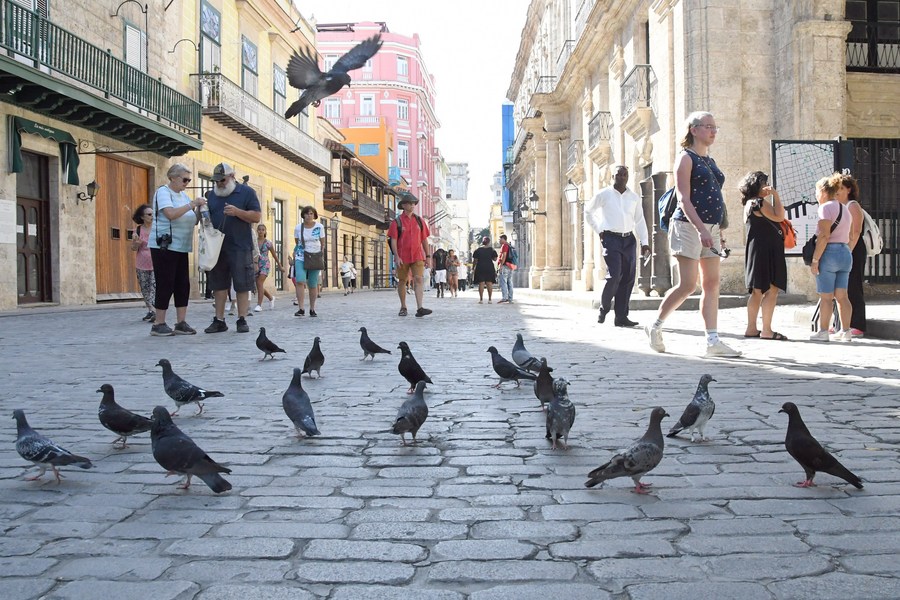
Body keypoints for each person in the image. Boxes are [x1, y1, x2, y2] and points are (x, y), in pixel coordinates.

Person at [645, 111, 741, 357]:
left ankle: (713, 341)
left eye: (715, 127)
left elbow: (715, 197)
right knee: (688, 285)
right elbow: (683, 199)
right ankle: (655, 326)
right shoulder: (685, 159)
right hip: (688, 226)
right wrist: (700, 229)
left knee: (712, 284)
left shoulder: (710, 161)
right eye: (708, 126)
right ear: (693, 129)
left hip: (710, 226)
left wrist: (716, 231)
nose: (713, 131)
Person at [585, 165, 650, 326]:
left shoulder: (634, 197)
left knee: (628, 279)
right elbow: (588, 211)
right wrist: (599, 229)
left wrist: (645, 243)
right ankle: (604, 308)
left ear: (627, 177)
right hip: (611, 239)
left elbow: (640, 220)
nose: (621, 177)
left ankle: (621, 317)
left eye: (624, 175)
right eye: (618, 175)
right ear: (612, 176)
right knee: (614, 276)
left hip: (629, 240)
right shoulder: (604, 194)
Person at [203, 163, 261, 334]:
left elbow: (256, 216)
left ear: (232, 176)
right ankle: (219, 320)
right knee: (218, 285)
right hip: (217, 248)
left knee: (242, 284)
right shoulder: (211, 195)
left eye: (222, 180)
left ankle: (242, 319)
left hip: (240, 246)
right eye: (216, 181)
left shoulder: (246, 192)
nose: (219, 183)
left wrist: (237, 212)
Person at [148, 163, 204, 336]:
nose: (187, 183)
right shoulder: (163, 192)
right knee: (166, 282)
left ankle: (181, 322)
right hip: (165, 245)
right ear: (173, 178)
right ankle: (159, 323)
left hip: (181, 246)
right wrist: (193, 204)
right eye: (184, 179)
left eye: (189, 180)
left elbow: (191, 220)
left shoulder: (184, 196)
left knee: (182, 284)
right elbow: (170, 214)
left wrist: (200, 212)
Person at [739, 171, 788, 340]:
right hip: (768, 249)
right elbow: (780, 216)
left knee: (757, 291)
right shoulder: (759, 202)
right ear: (757, 185)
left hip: (755, 249)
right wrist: (775, 195)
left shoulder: (748, 203)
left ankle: (751, 328)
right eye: (764, 183)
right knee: (772, 289)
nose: (767, 186)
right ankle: (767, 330)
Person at [809, 174, 854, 342]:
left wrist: (815, 260)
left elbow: (824, 236)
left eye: (816, 190)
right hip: (844, 252)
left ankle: (823, 331)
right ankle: (846, 331)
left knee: (826, 296)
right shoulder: (845, 208)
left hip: (829, 253)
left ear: (823, 191)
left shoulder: (825, 208)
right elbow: (850, 234)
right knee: (842, 296)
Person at [387, 193, 432, 317]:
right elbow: (393, 240)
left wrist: (428, 256)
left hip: (417, 255)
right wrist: (396, 256)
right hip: (402, 256)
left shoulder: (419, 221)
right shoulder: (397, 222)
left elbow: (424, 240)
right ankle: (403, 306)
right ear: (404, 205)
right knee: (402, 281)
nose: (413, 206)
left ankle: (420, 308)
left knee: (418, 279)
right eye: (410, 203)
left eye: (414, 203)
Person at [839, 172, 866, 337]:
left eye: (841, 188)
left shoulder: (852, 205)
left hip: (853, 248)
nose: (837, 191)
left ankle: (857, 324)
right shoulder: (838, 206)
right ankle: (843, 324)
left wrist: (847, 251)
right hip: (843, 247)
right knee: (842, 288)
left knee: (854, 285)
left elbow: (855, 231)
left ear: (849, 189)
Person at [293, 205, 325, 317]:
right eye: (307, 213)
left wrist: (320, 254)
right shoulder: (298, 228)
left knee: (312, 283)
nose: (309, 215)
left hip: (315, 256)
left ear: (314, 215)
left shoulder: (319, 227)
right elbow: (297, 242)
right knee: (300, 281)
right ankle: (301, 308)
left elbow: (322, 243)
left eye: (311, 213)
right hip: (301, 256)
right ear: (303, 215)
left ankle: (312, 308)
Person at [130, 203, 156, 323]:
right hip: (141, 264)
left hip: (156, 263)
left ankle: (155, 310)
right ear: (142, 217)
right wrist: (137, 243)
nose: (152, 216)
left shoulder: (157, 228)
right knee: (145, 289)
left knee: (153, 287)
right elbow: (133, 248)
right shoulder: (138, 230)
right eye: (149, 214)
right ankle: (151, 310)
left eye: (153, 214)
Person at [254, 224, 284, 312]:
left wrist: (280, 265)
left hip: (265, 265)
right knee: (259, 285)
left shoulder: (268, 243)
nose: (261, 231)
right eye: (259, 229)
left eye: (263, 230)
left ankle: (259, 305)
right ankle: (271, 298)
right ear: (257, 231)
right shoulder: (254, 242)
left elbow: (274, 255)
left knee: (259, 283)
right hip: (256, 264)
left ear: (265, 231)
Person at [472, 236, 498, 303]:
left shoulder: (478, 250)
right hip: (489, 267)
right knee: (489, 283)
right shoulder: (491, 249)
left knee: (481, 283)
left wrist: (473, 268)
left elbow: (475, 260)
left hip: (480, 267)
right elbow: (495, 259)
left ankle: (481, 299)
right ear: (489, 242)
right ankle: (490, 299)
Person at [496, 234, 515, 304]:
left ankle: (505, 298)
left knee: (503, 282)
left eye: (500, 239)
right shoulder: (509, 245)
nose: (499, 240)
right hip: (510, 265)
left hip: (505, 266)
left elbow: (504, 256)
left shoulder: (504, 246)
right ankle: (510, 298)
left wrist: (501, 265)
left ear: (503, 239)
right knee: (510, 282)